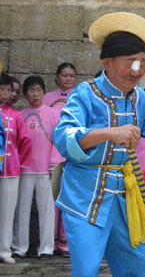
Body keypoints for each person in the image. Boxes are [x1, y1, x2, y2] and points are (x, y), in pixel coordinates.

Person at [51, 12, 145, 277]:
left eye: (142, 63)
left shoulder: (140, 99)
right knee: (87, 270)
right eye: (131, 62)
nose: (137, 70)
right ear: (108, 62)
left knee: (143, 269)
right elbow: (64, 137)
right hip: (85, 196)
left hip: (126, 200)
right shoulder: (85, 93)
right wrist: (109, 133)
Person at [12, 76, 61, 259]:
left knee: (47, 209)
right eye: (31, 90)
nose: (35, 94)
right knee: (21, 208)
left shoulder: (53, 114)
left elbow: (59, 140)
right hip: (24, 169)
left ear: (44, 92)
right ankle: (19, 246)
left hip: (46, 170)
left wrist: (54, 163)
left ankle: (46, 248)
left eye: (39, 90)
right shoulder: (20, 115)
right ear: (25, 94)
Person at [43, 62, 77, 256]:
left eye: (71, 76)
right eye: (64, 75)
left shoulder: (80, 97)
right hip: (50, 153)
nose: (68, 79)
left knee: (69, 200)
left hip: (71, 153)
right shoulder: (48, 98)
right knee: (51, 201)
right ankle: (49, 241)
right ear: (57, 77)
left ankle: (66, 242)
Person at [0, 72, 32, 265]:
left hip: (9, 168)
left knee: (7, 210)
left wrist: (19, 162)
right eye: (2, 90)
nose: (5, 94)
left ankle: (4, 249)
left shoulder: (15, 116)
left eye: (8, 90)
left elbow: (25, 141)